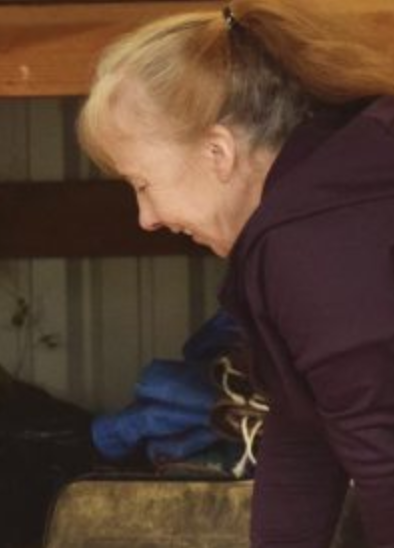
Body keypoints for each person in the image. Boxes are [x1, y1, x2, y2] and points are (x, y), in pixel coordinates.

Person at [77, 1, 394, 546]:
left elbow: (386, 462)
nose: (146, 219)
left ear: (218, 152)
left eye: (143, 184)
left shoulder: (311, 243)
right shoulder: (314, 200)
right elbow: (302, 437)